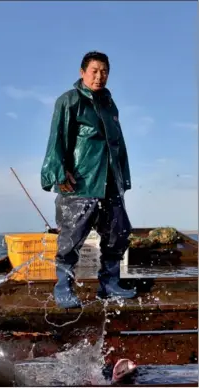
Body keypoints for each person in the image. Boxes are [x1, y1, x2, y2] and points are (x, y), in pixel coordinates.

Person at [41, 51, 136, 309]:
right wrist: (58, 173)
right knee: (71, 237)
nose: (99, 76)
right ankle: (63, 287)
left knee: (119, 232)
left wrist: (122, 177)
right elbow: (57, 138)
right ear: (82, 72)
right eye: (94, 70)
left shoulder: (109, 105)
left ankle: (109, 284)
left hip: (109, 182)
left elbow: (118, 144)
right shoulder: (69, 100)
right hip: (80, 181)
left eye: (104, 71)